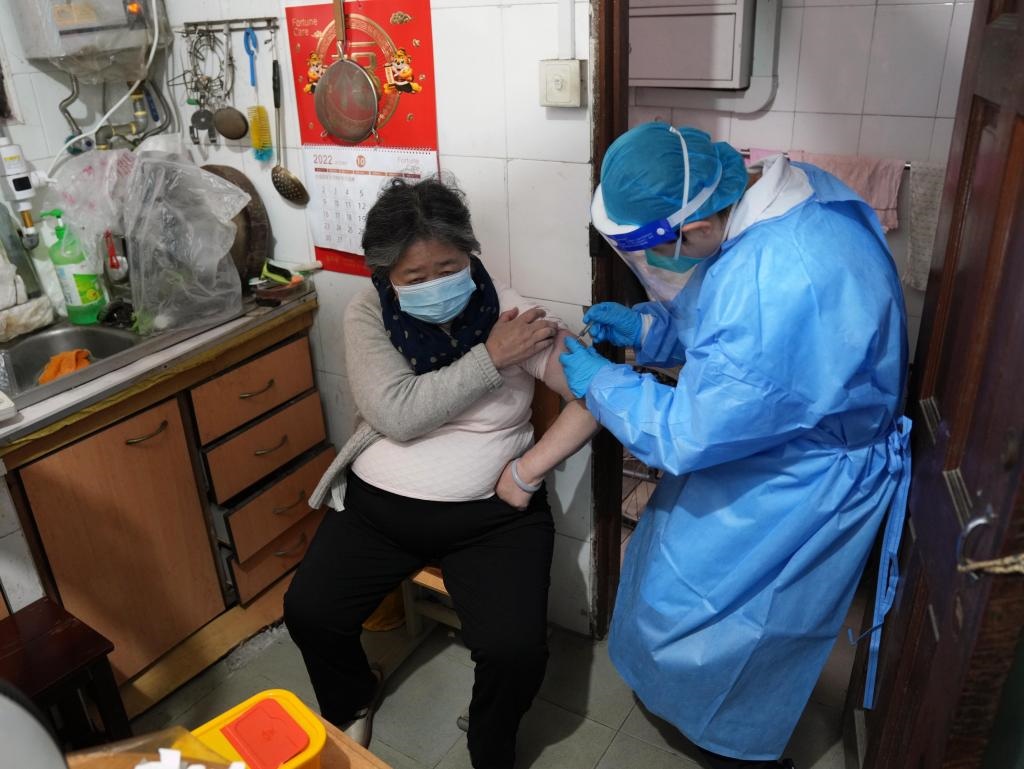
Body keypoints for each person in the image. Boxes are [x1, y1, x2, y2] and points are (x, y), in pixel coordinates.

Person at [559, 123, 912, 769]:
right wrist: (649, 330)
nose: (656, 263)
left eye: (657, 249)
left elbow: (690, 430)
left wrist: (600, 381)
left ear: (694, 226)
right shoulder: (788, 197)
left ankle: (739, 749)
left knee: (742, 627)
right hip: (776, 444)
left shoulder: (779, 276)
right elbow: (735, 335)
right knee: (682, 588)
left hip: (798, 483)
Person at [284, 177, 599, 769]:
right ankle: (353, 696)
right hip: (377, 512)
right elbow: (396, 415)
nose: (433, 285)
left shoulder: (512, 313)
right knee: (309, 612)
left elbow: (597, 395)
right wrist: (491, 358)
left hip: (492, 519)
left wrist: (527, 472)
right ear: (386, 274)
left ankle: (490, 740)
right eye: (414, 277)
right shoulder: (369, 310)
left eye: (447, 268)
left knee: (515, 652)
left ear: (470, 253)